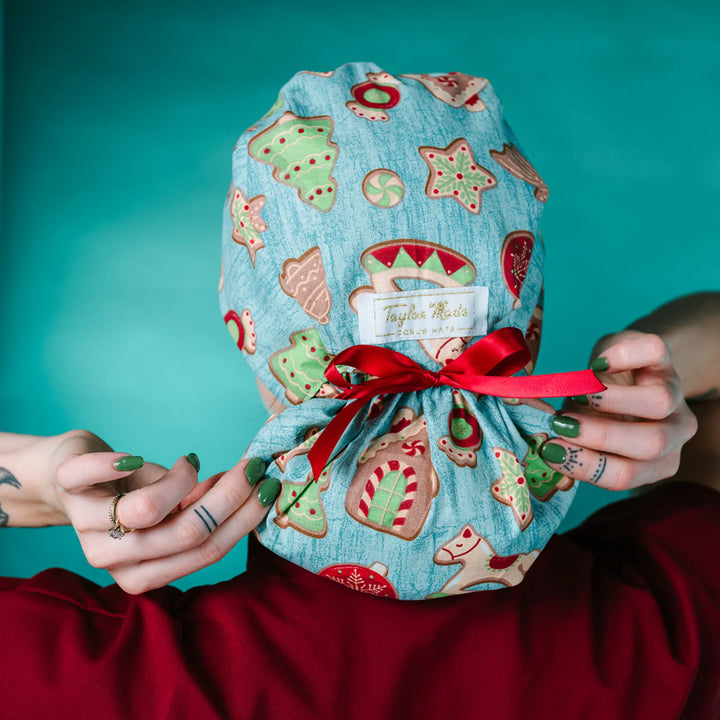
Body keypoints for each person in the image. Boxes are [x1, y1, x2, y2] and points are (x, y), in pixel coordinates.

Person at [0, 63, 717, 717]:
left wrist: (41, 478)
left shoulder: (92, 671)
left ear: (248, 322)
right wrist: (651, 365)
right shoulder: (668, 616)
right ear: (522, 304)